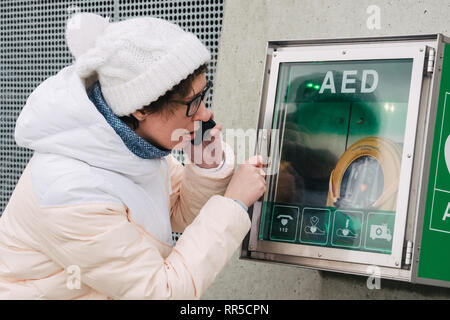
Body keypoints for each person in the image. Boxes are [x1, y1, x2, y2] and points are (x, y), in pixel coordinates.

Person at [0, 13, 266, 299]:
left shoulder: (129, 143)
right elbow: (160, 293)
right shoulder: (70, 192)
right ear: (140, 109)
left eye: (205, 94)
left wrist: (205, 167)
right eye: (193, 103)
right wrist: (234, 204)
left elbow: (177, 213)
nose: (205, 114)